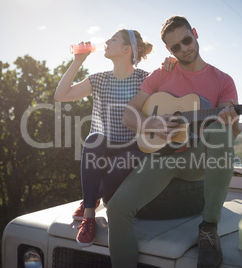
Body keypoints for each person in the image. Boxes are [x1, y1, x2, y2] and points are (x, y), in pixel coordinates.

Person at [107, 16, 242, 267]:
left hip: (197, 159)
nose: (183, 49)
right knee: (116, 209)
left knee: (220, 128)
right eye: (175, 47)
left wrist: (232, 122)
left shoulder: (223, 81)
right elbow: (129, 114)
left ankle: (209, 227)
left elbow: (226, 137)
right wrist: (151, 124)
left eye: (186, 40)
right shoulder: (161, 74)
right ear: (169, 50)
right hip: (163, 156)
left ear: (195, 33)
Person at [54, 29, 174, 248]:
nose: (107, 42)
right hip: (103, 145)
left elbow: (173, 94)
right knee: (93, 139)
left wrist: (171, 66)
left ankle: (92, 195)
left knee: (124, 163)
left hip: (133, 146)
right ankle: (89, 214)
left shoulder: (145, 78)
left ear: (127, 49)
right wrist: (77, 61)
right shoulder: (98, 79)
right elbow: (60, 95)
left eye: (114, 39)